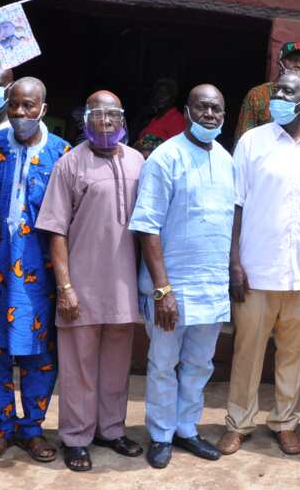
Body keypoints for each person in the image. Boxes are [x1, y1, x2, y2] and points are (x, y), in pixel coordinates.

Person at [34, 91, 146, 472]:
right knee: (78, 366)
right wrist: (65, 287)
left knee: (116, 364)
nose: (106, 121)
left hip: (123, 285)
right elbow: (55, 231)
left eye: (113, 114)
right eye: (97, 114)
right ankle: (76, 437)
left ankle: (111, 430)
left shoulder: (137, 161)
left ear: (122, 119)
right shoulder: (70, 163)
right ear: (85, 119)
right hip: (80, 286)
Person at [217, 70, 300, 457]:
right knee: (247, 353)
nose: (278, 94)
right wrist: (234, 263)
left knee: (295, 357)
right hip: (256, 270)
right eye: (278, 88)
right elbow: (236, 203)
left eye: (288, 90)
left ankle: (285, 422)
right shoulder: (251, 142)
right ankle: (239, 423)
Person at [129, 84, 235, 469]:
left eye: (217, 109)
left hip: (211, 288)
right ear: (187, 112)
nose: (210, 115)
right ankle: (159, 434)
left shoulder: (226, 159)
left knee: (199, 365)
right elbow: (147, 227)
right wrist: (162, 290)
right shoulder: (165, 157)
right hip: (171, 289)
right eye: (202, 108)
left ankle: (186, 429)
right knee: (161, 363)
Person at [0, 77, 69, 465]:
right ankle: (0, 427)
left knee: (39, 354)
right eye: (13, 105)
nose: (20, 113)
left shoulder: (62, 154)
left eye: (28, 106)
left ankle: (31, 428)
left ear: (43, 109)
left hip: (40, 273)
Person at [234, 42, 300, 139]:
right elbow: (243, 137)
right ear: (280, 62)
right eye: (293, 60)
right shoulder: (258, 95)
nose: (299, 65)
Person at [134, 78, 186, 157]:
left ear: (173, 98)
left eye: (165, 94)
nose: (160, 97)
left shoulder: (178, 119)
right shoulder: (154, 119)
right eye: (158, 93)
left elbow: (178, 149)